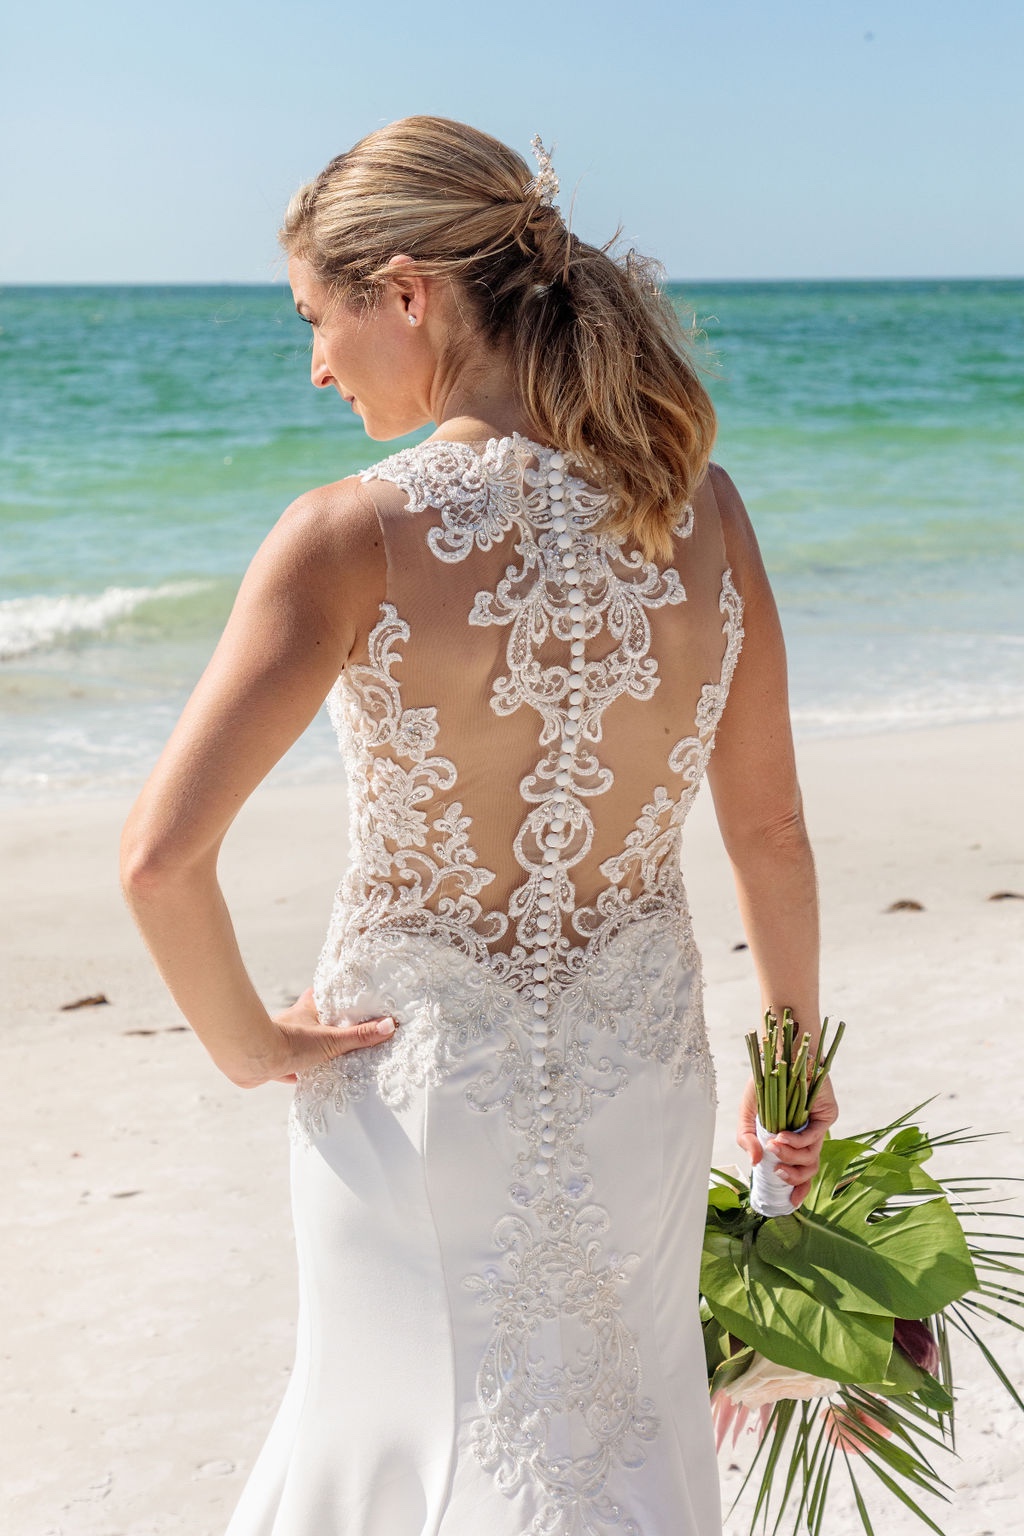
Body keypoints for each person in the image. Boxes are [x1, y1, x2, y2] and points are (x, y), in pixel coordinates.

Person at [121, 116, 838, 1536]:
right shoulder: (704, 515)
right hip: (644, 1092)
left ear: (407, 293)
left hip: (411, 1102)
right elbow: (770, 829)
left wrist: (256, 1048)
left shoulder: (347, 533)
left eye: (315, 320)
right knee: (624, 1456)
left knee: (391, 1446)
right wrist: (790, 1064)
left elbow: (160, 862)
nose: (313, 363)